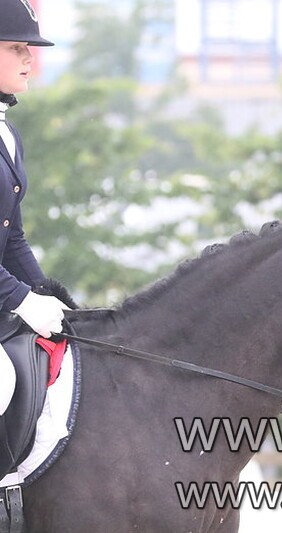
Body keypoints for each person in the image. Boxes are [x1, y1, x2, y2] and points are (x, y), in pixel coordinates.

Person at [0, 0, 65, 416]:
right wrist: (22, 300)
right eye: (16, 47)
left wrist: (49, 295)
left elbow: (12, 240)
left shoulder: (8, 135)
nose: (29, 57)